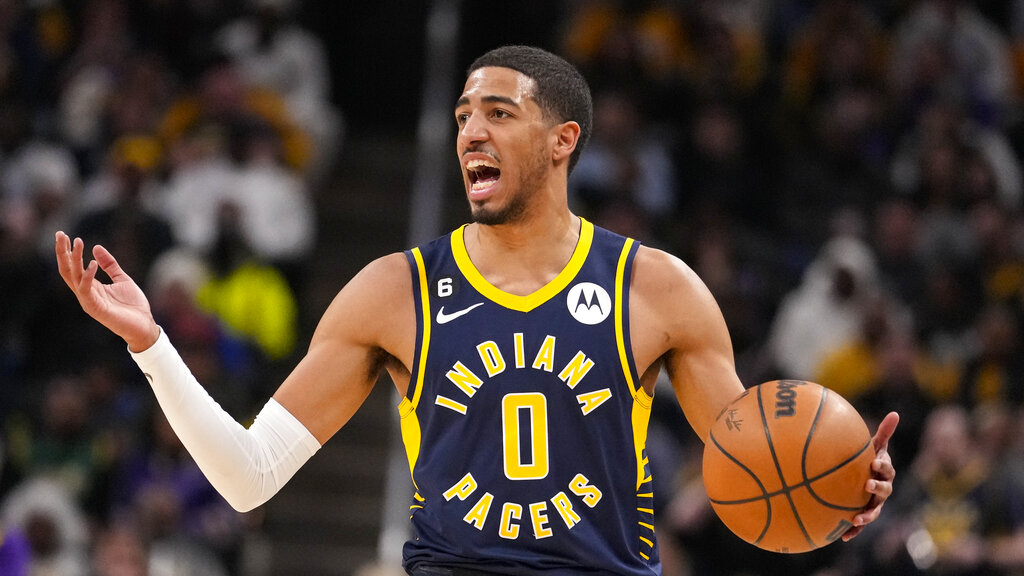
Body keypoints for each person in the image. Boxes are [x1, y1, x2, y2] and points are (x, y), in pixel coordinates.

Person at [55, 45, 899, 575]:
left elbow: (751, 476)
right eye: (463, 116)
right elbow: (247, 478)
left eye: (500, 113)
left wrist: (836, 494)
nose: (469, 133)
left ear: (563, 140)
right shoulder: (395, 290)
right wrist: (152, 344)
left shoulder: (659, 287)